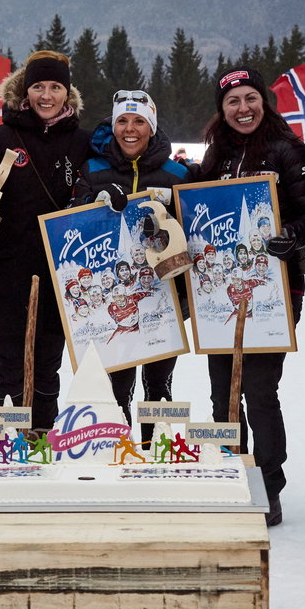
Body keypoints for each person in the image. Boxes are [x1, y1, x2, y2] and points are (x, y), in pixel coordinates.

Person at [199, 67, 305, 526]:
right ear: (222, 109)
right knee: (221, 394)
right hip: (220, 291)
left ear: (264, 102)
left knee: (258, 389)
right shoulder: (215, 156)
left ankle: (270, 483)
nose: (242, 108)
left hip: (276, 288)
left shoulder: (288, 150)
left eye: (251, 98)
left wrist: (291, 235)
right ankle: (230, 471)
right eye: (233, 101)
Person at [0, 50, 90, 433]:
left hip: (57, 277)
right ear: (24, 90)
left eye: (55, 87)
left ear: (68, 93)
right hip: (4, 277)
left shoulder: (84, 142)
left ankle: (42, 444)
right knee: (9, 373)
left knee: (47, 372)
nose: (46, 95)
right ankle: (11, 446)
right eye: (38, 86)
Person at [71, 89, 192, 447]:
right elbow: (68, 220)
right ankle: (117, 455)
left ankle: (156, 453)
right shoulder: (94, 169)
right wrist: (91, 201)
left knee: (158, 385)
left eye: (139, 121)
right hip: (114, 302)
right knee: (115, 386)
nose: (130, 128)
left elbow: (195, 232)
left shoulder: (177, 173)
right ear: (113, 124)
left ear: (151, 128)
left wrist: (173, 213)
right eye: (122, 120)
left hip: (164, 300)